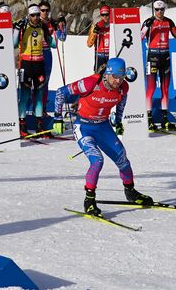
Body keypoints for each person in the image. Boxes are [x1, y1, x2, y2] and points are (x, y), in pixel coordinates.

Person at [52, 57, 153, 216]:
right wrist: (57, 117)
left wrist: (118, 121)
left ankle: (131, 192)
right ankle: (89, 200)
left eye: (121, 77)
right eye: (115, 77)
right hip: (84, 127)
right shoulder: (91, 83)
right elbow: (60, 92)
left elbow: (121, 103)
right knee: (97, 160)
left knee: (123, 160)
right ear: (107, 74)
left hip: (103, 127)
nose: (118, 81)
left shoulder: (123, 88)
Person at [141, 0, 176, 131]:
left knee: (165, 90)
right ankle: (149, 120)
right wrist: (146, 27)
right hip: (152, 57)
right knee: (151, 88)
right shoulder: (148, 22)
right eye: (157, 10)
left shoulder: (169, 21)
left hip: (165, 57)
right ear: (153, 10)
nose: (159, 12)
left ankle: (164, 120)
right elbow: (139, 37)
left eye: (162, 10)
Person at [14, 3, 55, 137]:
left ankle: (39, 124)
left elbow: (53, 44)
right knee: (24, 96)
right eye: (33, 15)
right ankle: (22, 124)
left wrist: (54, 30)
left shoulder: (42, 26)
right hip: (26, 64)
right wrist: (16, 29)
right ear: (28, 15)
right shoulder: (24, 26)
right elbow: (14, 44)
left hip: (39, 63)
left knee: (38, 95)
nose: (36, 17)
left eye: (38, 14)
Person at [87, 5, 111, 72]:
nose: (105, 17)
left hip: (110, 54)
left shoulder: (112, 26)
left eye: (107, 14)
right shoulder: (96, 25)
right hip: (99, 55)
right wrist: (95, 31)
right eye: (103, 15)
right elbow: (89, 44)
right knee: (98, 75)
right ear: (100, 15)